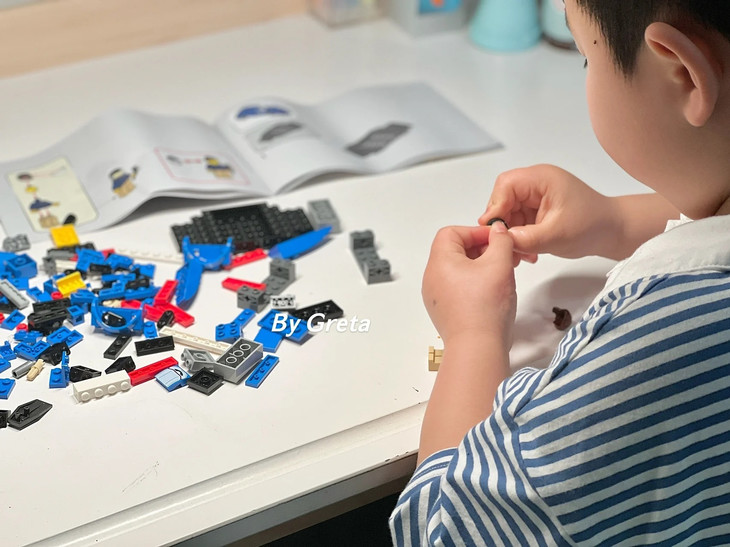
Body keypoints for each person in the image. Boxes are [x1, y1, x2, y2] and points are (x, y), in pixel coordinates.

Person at [390, 0, 730, 544]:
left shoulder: (665, 335)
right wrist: (616, 222)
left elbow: (446, 528)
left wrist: (473, 335)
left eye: (585, 57)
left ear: (682, 75)